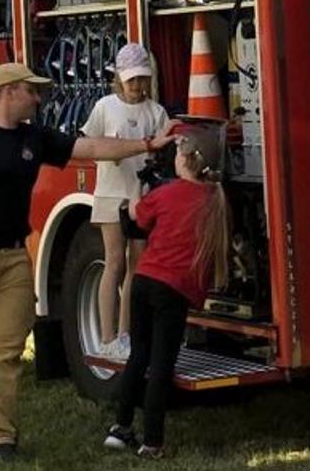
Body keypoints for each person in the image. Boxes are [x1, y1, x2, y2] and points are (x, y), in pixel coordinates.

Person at [0, 62, 179, 461]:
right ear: (9, 91)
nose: (39, 98)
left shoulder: (35, 137)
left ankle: (0, 438)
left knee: (6, 350)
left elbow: (94, 147)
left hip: (13, 256)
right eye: (32, 91)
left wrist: (148, 145)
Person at [104, 122, 232, 461]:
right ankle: (153, 441)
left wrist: (137, 190)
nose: (174, 158)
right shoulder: (214, 201)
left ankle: (120, 427)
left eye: (177, 152)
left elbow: (135, 219)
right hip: (174, 291)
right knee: (162, 364)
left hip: (144, 281)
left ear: (187, 159)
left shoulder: (165, 193)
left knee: (139, 356)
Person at [80, 42, 170, 363]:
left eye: (142, 79)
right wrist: (113, 151)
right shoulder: (105, 107)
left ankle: (125, 334)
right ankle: (106, 338)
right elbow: (90, 145)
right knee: (113, 262)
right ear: (118, 78)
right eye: (131, 80)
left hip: (140, 199)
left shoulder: (156, 112)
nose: (137, 86)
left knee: (136, 266)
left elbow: (162, 154)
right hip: (109, 194)